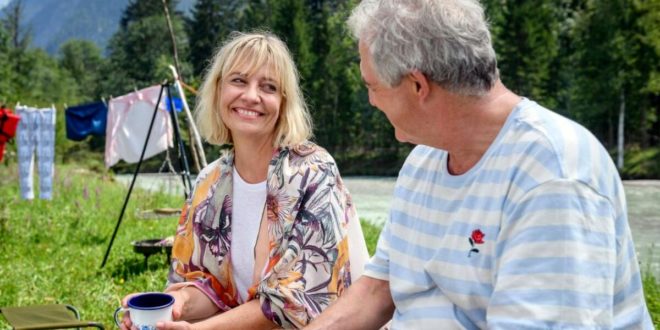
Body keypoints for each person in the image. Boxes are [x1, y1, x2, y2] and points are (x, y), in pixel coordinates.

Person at [306, 1, 654, 329]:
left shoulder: (552, 175)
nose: (371, 100)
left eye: (372, 86)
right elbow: (377, 291)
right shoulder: (423, 161)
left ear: (417, 85)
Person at [120, 32, 369, 330]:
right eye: (238, 80)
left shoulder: (313, 171)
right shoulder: (210, 181)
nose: (251, 96)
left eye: (268, 87)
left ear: (283, 102)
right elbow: (210, 287)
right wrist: (177, 306)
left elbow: (298, 304)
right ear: (218, 90)